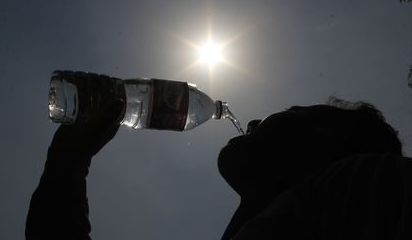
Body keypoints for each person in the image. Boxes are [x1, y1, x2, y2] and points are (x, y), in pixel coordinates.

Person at [26, 97, 412, 239]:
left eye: (291, 112)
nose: (256, 121)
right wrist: (67, 164)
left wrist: (66, 167)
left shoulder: (371, 182)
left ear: (326, 137)